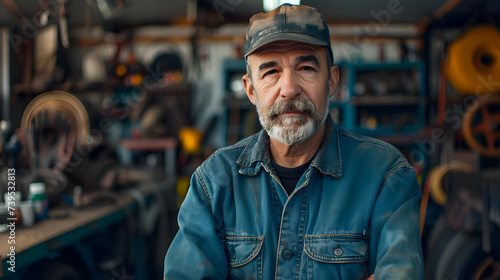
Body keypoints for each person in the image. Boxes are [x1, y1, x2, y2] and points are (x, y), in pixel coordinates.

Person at [164, 4, 423, 280]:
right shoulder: (214, 182)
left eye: (307, 67)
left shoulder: (386, 175)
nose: (289, 89)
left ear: (332, 81)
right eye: (270, 71)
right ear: (251, 90)